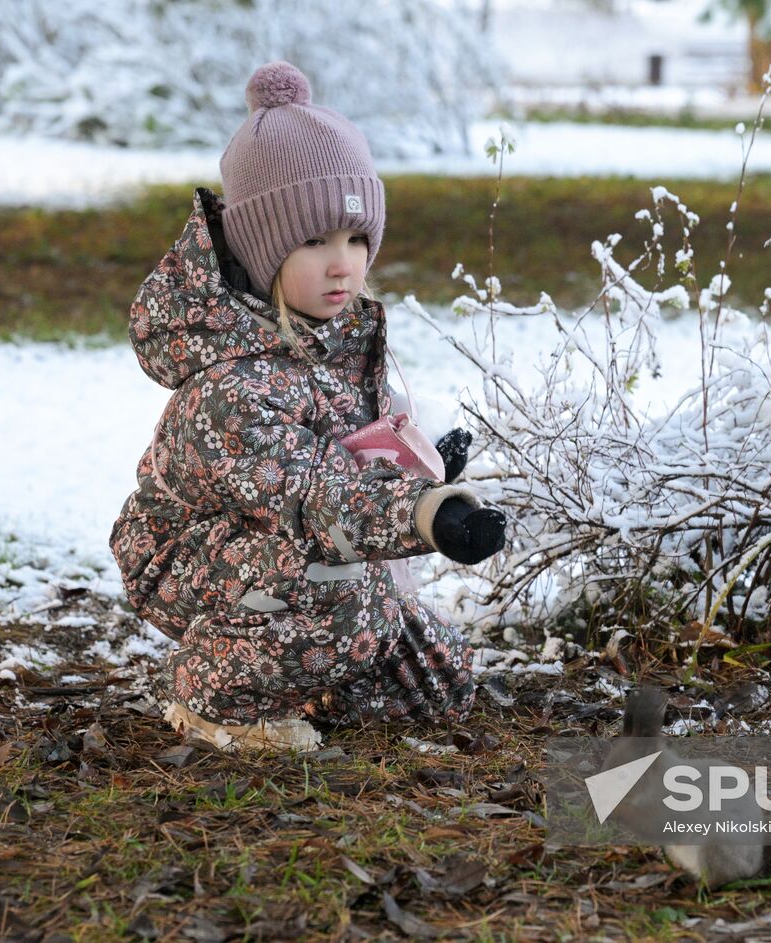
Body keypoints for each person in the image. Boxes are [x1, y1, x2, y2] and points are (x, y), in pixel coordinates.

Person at [109, 62, 505, 751]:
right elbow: (314, 493)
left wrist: (429, 465)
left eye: (357, 240)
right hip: (192, 557)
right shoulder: (230, 387)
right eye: (314, 241)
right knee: (340, 590)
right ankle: (211, 692)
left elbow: (358, 448)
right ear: (263, 249)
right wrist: (422, 513)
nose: (343, 264)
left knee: (436, 683)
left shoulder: (335, 342)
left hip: (290, 542)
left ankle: (302, 667)